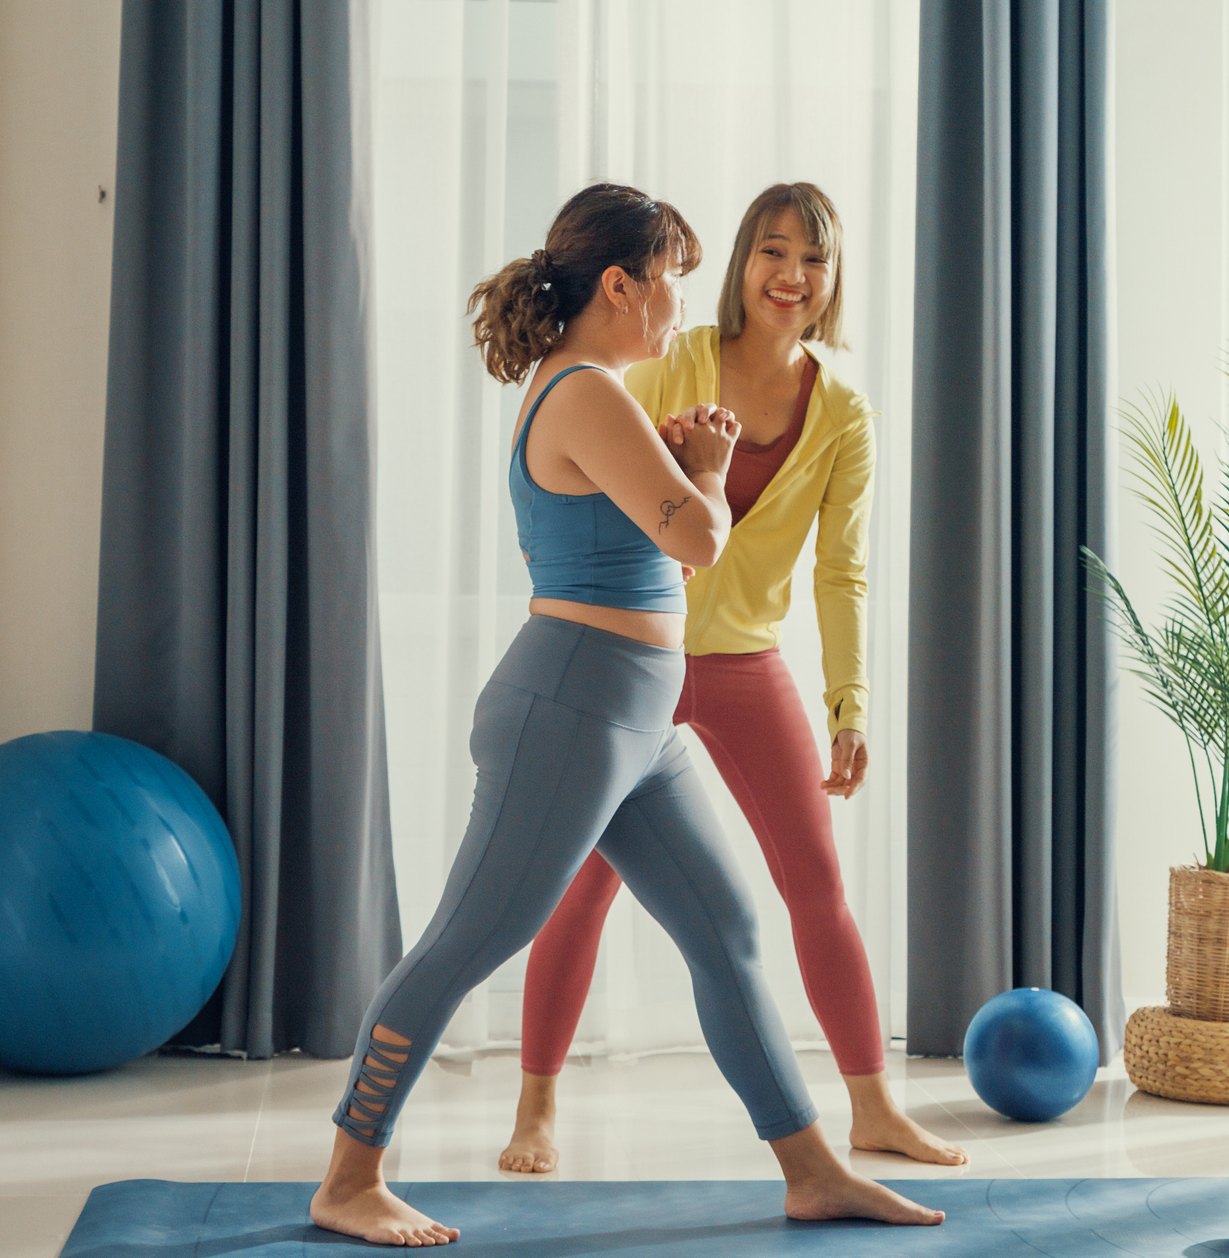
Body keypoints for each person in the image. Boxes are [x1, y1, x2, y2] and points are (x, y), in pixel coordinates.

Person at [307, 183, 944, 1246]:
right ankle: (347, 1176)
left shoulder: (599, 390)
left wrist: (690, 472)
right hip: (572, 706)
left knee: (726, 929)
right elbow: (696, 539)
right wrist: (703, 465)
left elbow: (667, 529)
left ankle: (811, 1170)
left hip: (633, 721)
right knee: (469, 941)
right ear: (619, 286)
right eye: (670, 279)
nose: (676, 303)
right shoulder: (587, 393)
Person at [499, 183, 966, 1175]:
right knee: (580, 890)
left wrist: (849, 704)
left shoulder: (841, 410)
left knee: (816, 887)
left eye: (812, 260)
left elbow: (842, 569)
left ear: (832, 280)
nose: (789, 277)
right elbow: (611, 495)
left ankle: (872, 1106)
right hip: (640, 668)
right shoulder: (671, 361)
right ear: (741, 266)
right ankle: (534, 1107)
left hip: (749, 664)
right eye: (771, 252)